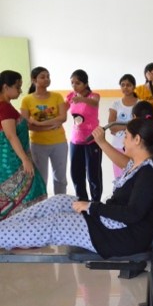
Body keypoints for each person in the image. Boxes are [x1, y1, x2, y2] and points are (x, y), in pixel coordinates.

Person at [0, 117, 153, 258]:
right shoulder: (136, 165)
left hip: (123, 237)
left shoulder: (149, 174)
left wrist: (92, 207)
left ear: (137, 140)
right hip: (113, 225)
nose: (123, 140)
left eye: (126, 136)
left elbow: (132, 214)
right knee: (60, 201)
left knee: (57, 223)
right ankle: (4, 228)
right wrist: (92, 208)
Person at [0, 70, 47, 219]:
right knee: (32, 190)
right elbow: (11, 135)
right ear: (6, 87)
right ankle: (23, 225)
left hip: (13, 158)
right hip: (13, 161)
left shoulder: (6, 106)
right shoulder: (4, 108)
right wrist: (25, 160)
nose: (20, 91)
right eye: (17, 87)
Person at [20, 66, 68, 194]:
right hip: (38, 144)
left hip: (59, 142)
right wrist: (48, 126)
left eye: (48, 76)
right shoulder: (27, 100)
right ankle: (42, 201)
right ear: (34, 80)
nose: (46, 79)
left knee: (60, 178)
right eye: (42, 77)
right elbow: (25, 124)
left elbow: (63, 117)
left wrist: (39, 124)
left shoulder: (57, 96)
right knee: (41, 178)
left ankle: (60, 201)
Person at [66, 69, 102, 202]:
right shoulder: (70, 96)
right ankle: (82, 201)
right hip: (76, 140)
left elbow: (95, 103)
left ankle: (95, 203)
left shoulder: (94, 96)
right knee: (76, 173)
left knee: (93, 174)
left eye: (78, 83)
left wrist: (81, 99)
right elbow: (62, 109)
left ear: (85, 84)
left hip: (92, 139)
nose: (74, 86)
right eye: (72, 83)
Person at [108, 74, 138, 178]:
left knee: (134, 176)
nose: (125, 87)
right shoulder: (115, 104)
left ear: (134, 87)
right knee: (119, 177)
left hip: (135, 146)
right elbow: (111, 126)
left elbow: (139, 126)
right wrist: (130, 125)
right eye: (123, 85)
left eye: (128, 85)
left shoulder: (139, 104)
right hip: (118, 145)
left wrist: (119, 127)